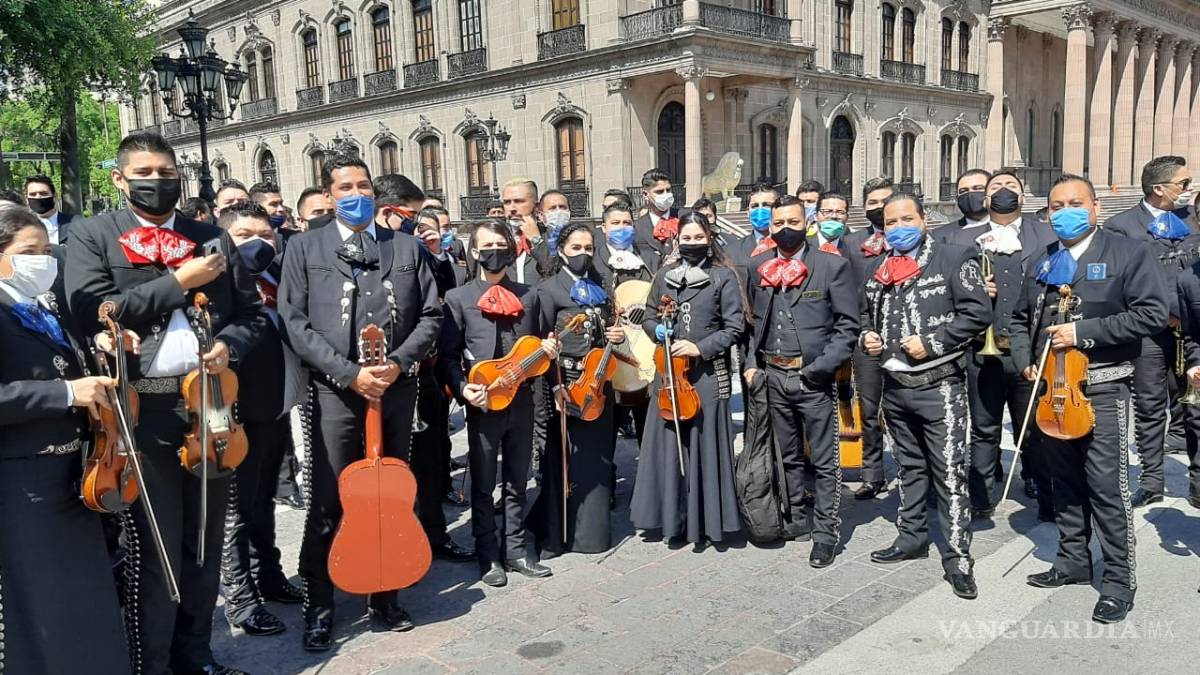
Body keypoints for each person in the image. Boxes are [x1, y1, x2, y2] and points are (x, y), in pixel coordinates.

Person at [66, 130, 265, 675]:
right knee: (155, 553)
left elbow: (252, 316)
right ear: (120, 179)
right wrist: (179, 280)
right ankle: (150, 664)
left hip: (208, 408)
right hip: (139, 416)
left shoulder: (211, 236)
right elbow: (90, 311)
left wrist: (230, 346)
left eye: (166, 171)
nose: (158, 181)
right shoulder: (92, 235)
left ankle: (196, 657)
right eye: (146, 173)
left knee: (205, 544)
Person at [278, 154, 442, 650]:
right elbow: (294, 320)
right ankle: (320, 604)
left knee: (389, 494)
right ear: (328, 196)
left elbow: (431, 315)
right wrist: (349, 374)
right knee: (329, 500)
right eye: (345, 186)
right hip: (334, 394)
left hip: (396, 389)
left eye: (365, 185)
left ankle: (385, 593)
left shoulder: (408, 247)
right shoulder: (304, 248)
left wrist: (396, 364)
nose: (357, 193)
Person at [1011, 173, 1167, 624]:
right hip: (1051, 391)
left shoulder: (1128, 253)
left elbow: (1151, 313)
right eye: (1056, 206)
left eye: (1075, 203)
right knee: (1064, 482)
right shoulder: (1043, 259)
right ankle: (1072, 560)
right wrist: (1025, 359)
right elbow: (1021, 319)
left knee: (1106, 487)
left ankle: (1118, 580)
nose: (1064, 213)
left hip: (1102, 386)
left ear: (1096, 207)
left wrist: (1084, 332)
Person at [0, 206, 130, 674]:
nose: (42, 260)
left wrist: (100, 353)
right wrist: (64, 393)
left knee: (85, 598)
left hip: (77, 473)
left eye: (45, 250)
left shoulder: (44, 306)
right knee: (42, 605)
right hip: (23, 481)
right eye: (26, 252)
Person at [861, 193, 991, 600]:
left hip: (940, 384)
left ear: (924, 219)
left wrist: (933, 342)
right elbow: (867, 314)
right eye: (890, 221)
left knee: (950, 474)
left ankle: (958, 558)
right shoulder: (877, 267)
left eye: (906, 218)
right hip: (896, 387)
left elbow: (978, 312)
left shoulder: (953, 257)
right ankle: (911, 537)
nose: (898, 227)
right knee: (909, 468)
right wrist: (867, 336)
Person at [437, 219, 559, 587]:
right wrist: (462, 389)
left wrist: (548, 353)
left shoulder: (529, 295)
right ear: (474, 251)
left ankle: (518, 549)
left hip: (522, 401)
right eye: (486, 245)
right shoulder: (458, 299)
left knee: (518, 480)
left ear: (512, 248)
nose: (494, 252)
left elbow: (538, 350)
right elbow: (447, 357)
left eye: (501, 245)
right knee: (483, 482)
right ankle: (488, 554)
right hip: (483, 406)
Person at [742, 195, 858, 565]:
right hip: (773, 376)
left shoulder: (830, 266)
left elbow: (847, 327)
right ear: (770, 227)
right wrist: (750, 364)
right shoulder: (758, 265)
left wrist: (820, 368)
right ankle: (795, 517)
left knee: (824, 460)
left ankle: (826, 532)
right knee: (787, 455)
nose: (786, 229)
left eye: (793, 222)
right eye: (778, 224)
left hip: (812, 378)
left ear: (806, 221)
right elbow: (751, 325)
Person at [937, 170, 1057, 520]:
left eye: (1011, 187)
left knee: (1033, 426)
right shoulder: (964, 240)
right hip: (982, 351)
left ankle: (1043, 490)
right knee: (984, 427)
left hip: (1027, 351)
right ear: (986, 200)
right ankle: (981, 496)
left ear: (1022, 195)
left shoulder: (1045, 235)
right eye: (995, 189)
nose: (1003, 193)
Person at [215, 203, 306, 637]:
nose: (258, 243)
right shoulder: (216, 289)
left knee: (264, 502)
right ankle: (240, 598)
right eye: (244, 235)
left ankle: (269, 575)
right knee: (237, 513)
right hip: (234, 417)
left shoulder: (276, 280)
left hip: (275, 410)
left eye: (266, 235)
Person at [631, 211, 745, 545]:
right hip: (669, 377)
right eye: (686, 238)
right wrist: (658, 330)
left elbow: (735, 327)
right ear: (676, 240)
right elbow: (650, 316)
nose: (692, 243)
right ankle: (673, 520)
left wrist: (700, 347)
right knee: (669, 446)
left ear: (709, 239)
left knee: (706, 445)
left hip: (707, 375)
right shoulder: (664, 275)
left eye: (698, 238)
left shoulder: (723, 277)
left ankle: (708, 523)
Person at [1103, 155, 1200, 508]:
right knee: (1149, 406)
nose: (1188, 191)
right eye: (1183, 184)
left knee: (1194, 408)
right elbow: (1122, 283)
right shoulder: (1122, 226)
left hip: (1191, 330)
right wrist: (1163, 313)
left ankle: (1197, 482)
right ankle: (1152, 480)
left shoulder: (1192, 220)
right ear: (1160, 189)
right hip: (1149, 332)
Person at [529, 221, 625, 555]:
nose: (583, 254)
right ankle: (559, 533)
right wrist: (554, 387)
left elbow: (607, 329)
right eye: (576, 248)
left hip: (599, 384)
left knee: (597, 461)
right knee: (564, 460)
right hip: (566, 386)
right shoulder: (548, 289)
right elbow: (543, 344)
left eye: (588, 248)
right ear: (561, 251)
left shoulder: (600, 285)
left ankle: (592, 534)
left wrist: (617, 336)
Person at [408, 206, 476, 544]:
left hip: (435, 365)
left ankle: (436, 527)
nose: (426, 234)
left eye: (433, 229)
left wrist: (435, 252)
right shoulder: (402, 255)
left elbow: (450, 295)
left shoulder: (446, 261)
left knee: (436, 445)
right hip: (405, 370)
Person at [842, 177, 894, 499]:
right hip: (867, 338)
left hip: (908, 337)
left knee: (906, 410)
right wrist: (860, 331)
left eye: (884, 201)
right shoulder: (852, 244)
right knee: (871, 409)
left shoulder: (911, 237)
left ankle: (914, 470)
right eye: (872, 203)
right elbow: (846, 292)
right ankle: (873, 473)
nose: (878, 208)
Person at [592, 201, 656, 444]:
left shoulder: (649, 258)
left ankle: (648, 480)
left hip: (645, 350)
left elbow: (661, 296)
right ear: (604, 227)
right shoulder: (595, 262)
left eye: (627, 223)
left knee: (648, 427)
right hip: (608, 355)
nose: (622, 228)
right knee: (606, 430)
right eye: (615, 223)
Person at [633, 169, 681, 268]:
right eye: (659, 192)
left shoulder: (685, 216)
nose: (666, 195)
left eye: (668, 190)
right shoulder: (637, 228)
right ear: (646, 195)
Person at [24, 174, 76, 244]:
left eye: (43, 193)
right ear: (26, 199)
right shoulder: (20, 227)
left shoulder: (76, 224)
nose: (38, 197)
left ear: (55, 196)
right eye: (33, 194)